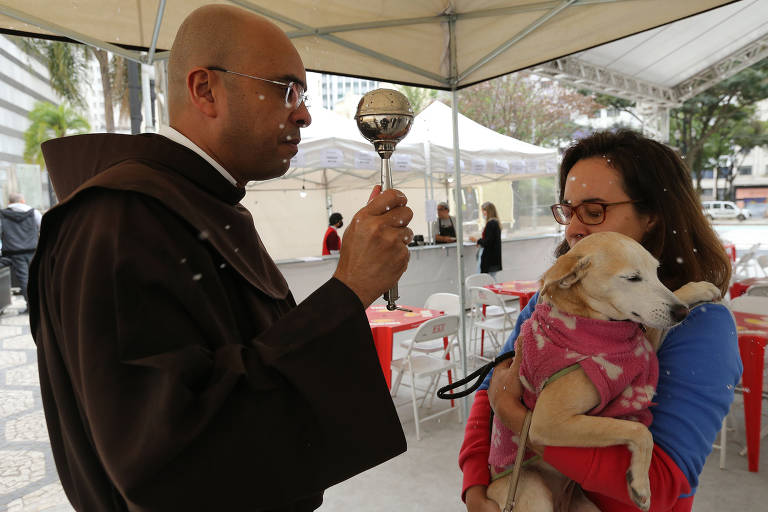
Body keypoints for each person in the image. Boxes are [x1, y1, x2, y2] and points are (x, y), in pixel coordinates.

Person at [29, 5, 415, 512]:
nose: (303, 112)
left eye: (303, 94)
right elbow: (166, 460)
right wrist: (347, 291)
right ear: (204, 89)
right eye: (284, 89)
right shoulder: (122, 219)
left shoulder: (196, 203)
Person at [459, 130, 742, 512]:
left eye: (593, 211)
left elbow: (658, 486)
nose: (573, 228)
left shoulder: (701, 326)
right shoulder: (556, 299)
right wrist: (476, 485)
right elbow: (491, 386)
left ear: (653, 217)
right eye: (567, 210)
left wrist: (518, 418)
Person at [0, 192, 42, 313]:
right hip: (33, 250)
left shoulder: (2, 215)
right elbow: (43, 228)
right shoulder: (34, 212)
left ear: (9, 203)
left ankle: (32, 306)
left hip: (14, 252)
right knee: (36, 276)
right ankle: (38, 305)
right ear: (23, 201)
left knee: (24, 279)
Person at [469, 201, 502, 278]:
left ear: (488, 211)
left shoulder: (491, 223)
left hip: (488, 258)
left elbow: (487, 242)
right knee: (490, 279)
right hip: (493, 258)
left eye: (484, 210)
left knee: (484, 279)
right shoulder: (495, 223)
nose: (483, 213)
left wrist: (477, 240)